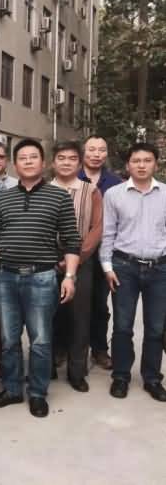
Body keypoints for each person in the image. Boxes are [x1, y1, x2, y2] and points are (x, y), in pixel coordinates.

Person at [0, 139, 81, 418]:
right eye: (22, 158)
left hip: (42, 278)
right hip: (5, 277)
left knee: (40, 340)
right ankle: (12, 389)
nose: (27, 161)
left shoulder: (59, 197)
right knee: (9, 339)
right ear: (15, 165)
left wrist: (70, 276)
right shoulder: (3, 197)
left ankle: (38, 393)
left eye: (33, 157)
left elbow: (72, 240)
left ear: (43, 163)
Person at [100, 142, 166, 402]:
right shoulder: (113, 195)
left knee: (156, 328)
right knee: (123, 326)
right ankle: (121, 376)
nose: (141, 165)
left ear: (155, 164)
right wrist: (107, 267)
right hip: (123, 267)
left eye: (147, 160)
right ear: (128, 165)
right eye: (136, 161)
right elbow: (108, 233)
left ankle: (152, 378)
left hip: (160, 268)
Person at [50, 140, 103, 392]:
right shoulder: (43, 189)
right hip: (47, 261)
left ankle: (77, 371)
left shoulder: (91, 190)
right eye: (61, 158)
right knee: (46, 316)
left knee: (80, 317)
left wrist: (77, 257)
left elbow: (97, 228)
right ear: (52, 163)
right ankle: (47, 364)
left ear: (80, 163)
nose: (66, 163)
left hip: (82, 261)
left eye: (72, 158)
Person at [79, 135, 123, 370]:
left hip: (105, 253)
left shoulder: (116, 183)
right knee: (68, 303)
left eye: (101, 150)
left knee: (99, 304)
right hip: (75, 251)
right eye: (92, 149)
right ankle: (64, 347)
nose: (96, 154)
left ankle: (99, 349)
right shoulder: (72, 177)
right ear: (83, 152)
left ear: (107, 153)